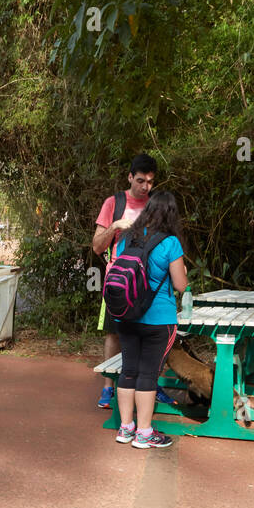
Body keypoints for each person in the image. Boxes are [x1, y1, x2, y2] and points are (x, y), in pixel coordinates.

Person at [109, 189, 186, 449]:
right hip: (158, 319)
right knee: (148, 374)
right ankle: (144, 433)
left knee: (129, 370)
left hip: (126, 315)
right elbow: (181, 285)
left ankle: (125, 428)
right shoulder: (170, 242)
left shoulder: (127, 237)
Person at [92, 153, 156, 408]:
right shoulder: (113, 203)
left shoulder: (155, 206)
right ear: (130, 177)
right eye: (140, 180)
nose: (144, 186)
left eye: (150, 182)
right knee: (114, 334)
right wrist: (114, 226)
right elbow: (97, 247)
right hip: (118, 280)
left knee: (150, 334)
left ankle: (148, 385)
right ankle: (108, 387)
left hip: (149, 281)